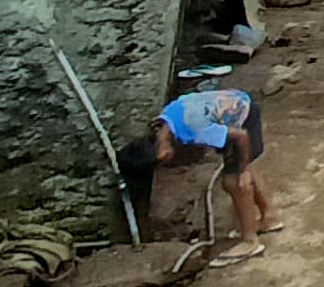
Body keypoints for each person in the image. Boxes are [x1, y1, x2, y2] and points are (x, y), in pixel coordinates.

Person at [117, 89, 274, 266]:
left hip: (243, 118)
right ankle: (269, 217)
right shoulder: (164, 119)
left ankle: (250, 241)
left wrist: (243, 170)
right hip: (234, 103)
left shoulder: (193, 129)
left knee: (233, 182)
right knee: (241, 170)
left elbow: (242, 137)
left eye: (162, 161)